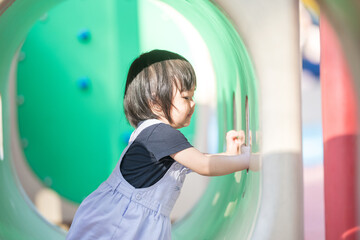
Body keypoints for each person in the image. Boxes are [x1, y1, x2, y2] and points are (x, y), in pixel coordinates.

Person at [66, 49, 251, 240]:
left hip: (135, 220)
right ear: (155, 102)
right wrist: (248, 160)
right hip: (120, 220)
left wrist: (230, 156)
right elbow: (204, 164)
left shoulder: (156, 133)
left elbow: (200, 160)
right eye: (186, 97)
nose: (193, 103)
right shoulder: (160, 133)